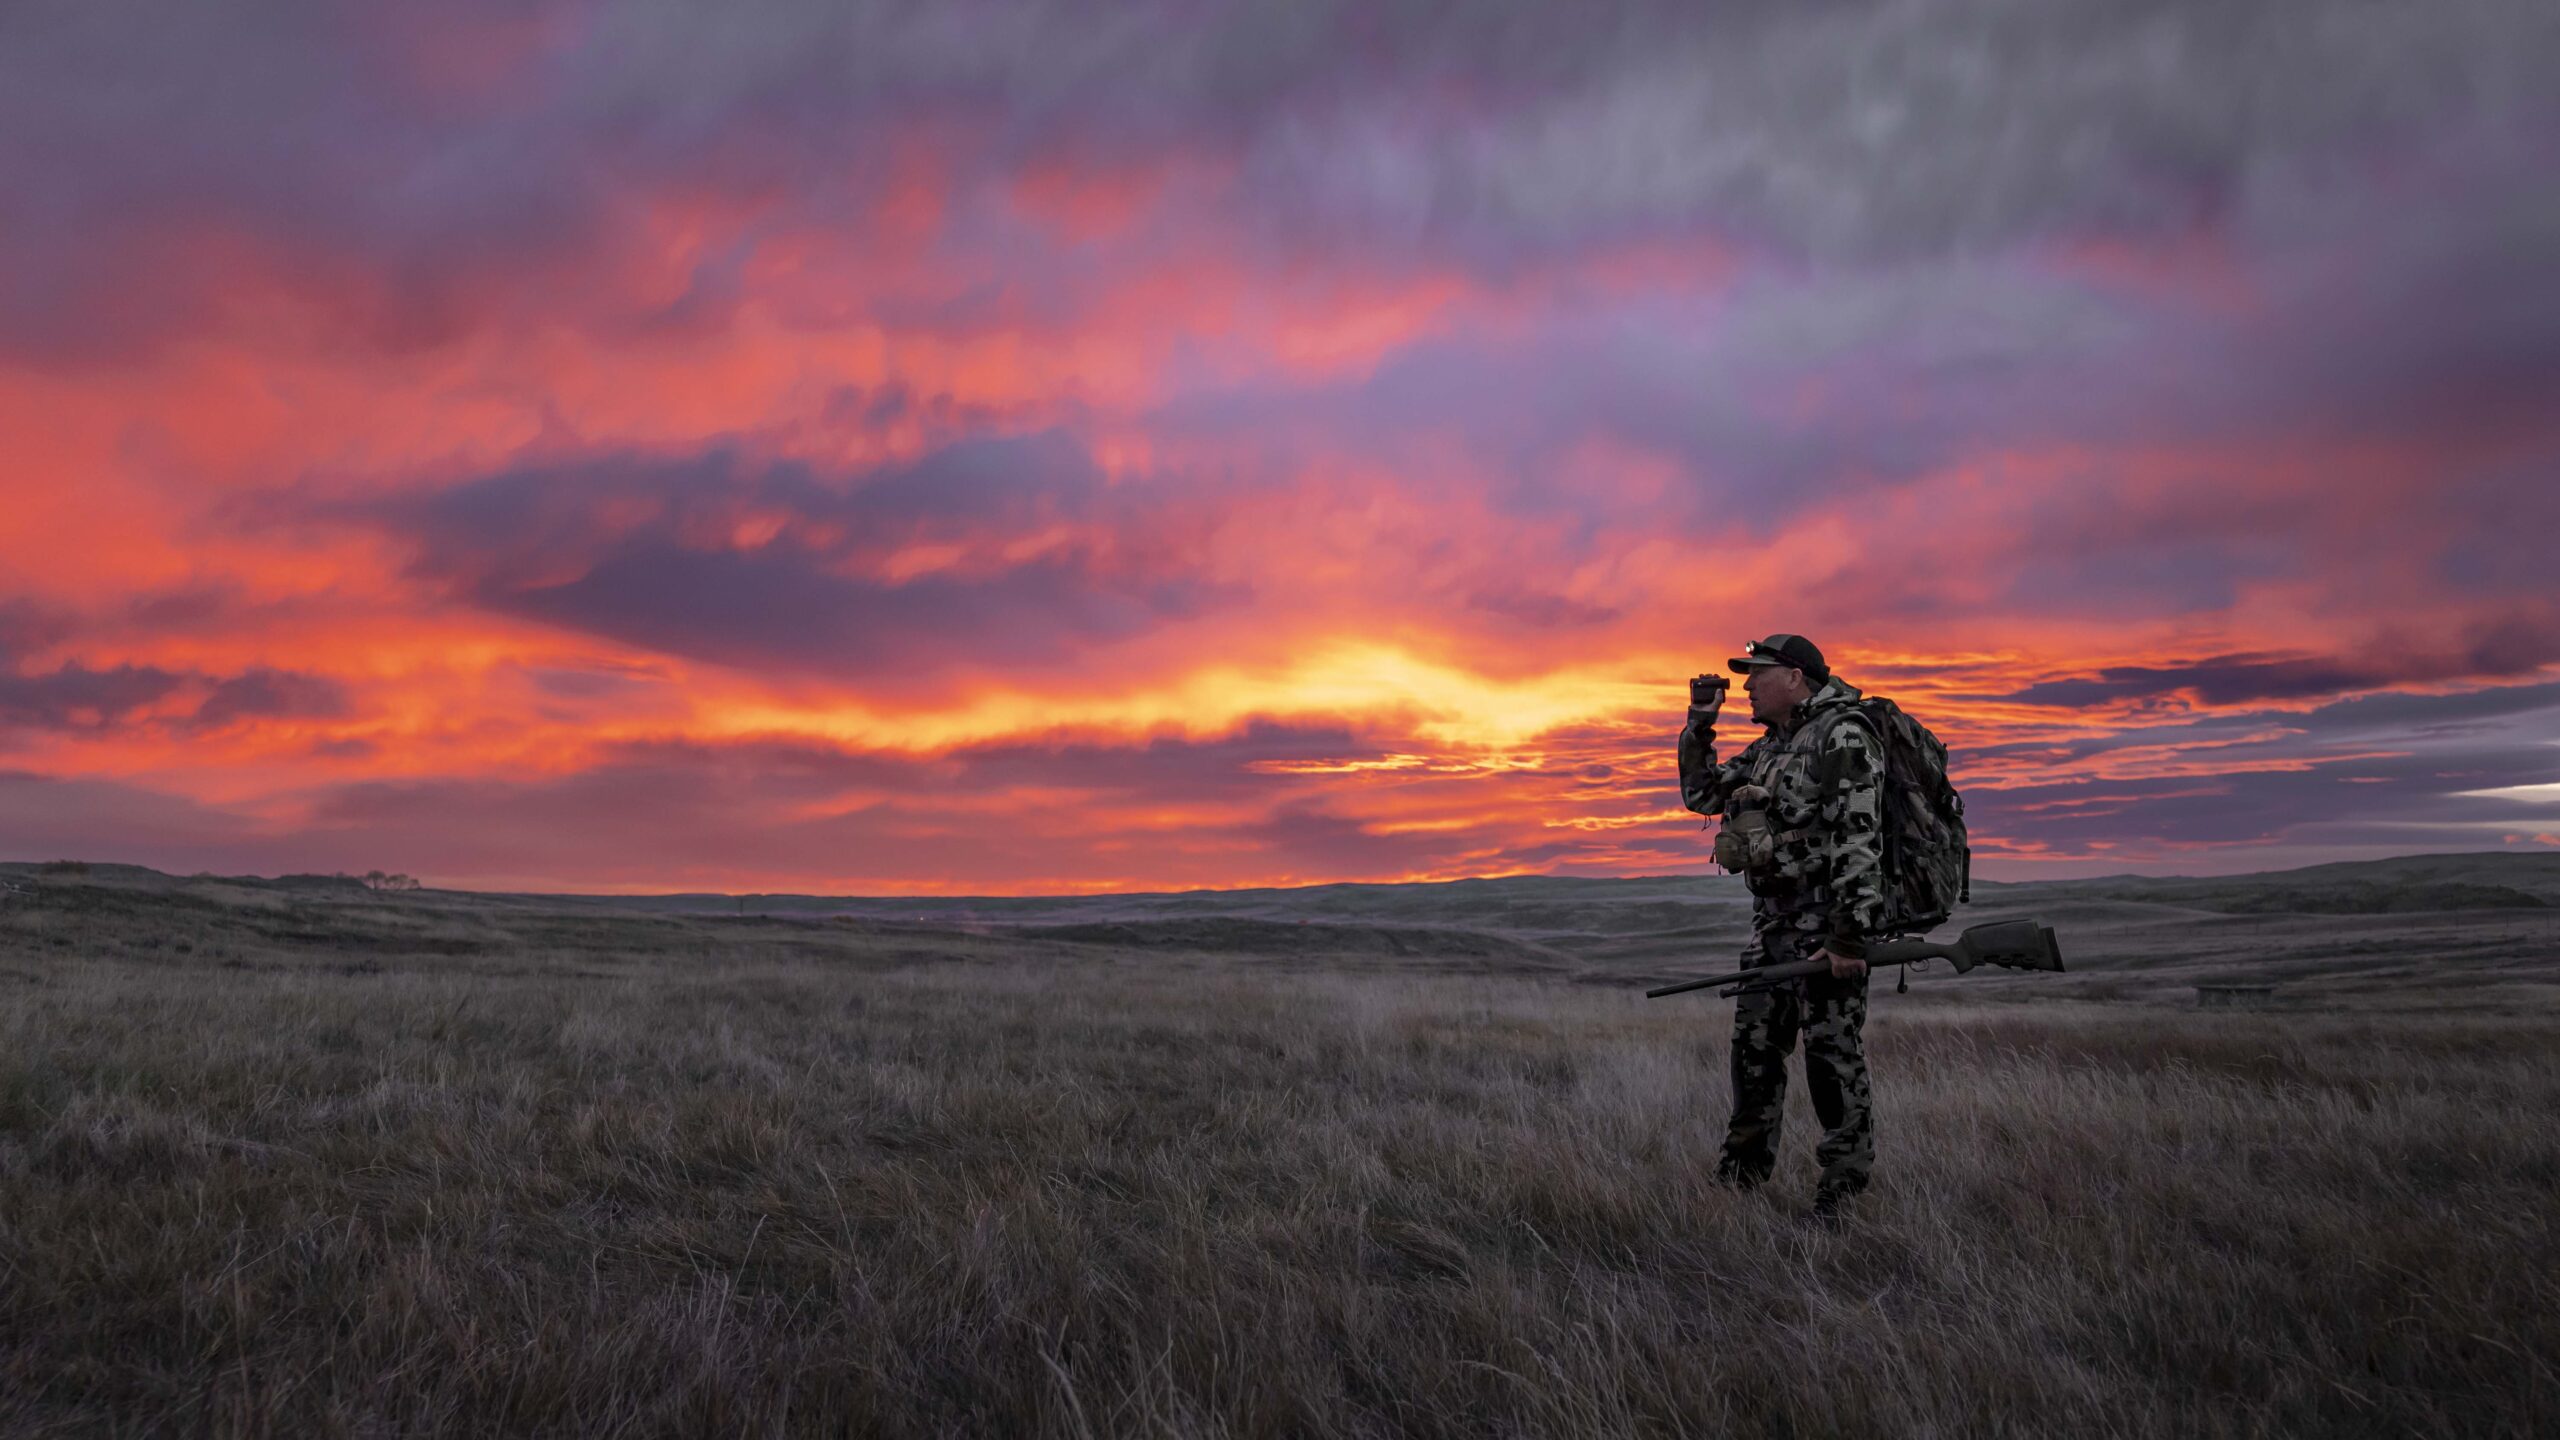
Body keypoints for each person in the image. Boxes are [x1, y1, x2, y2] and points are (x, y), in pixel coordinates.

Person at [1678, 634, 1887, 1218]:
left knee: (1831, 1059)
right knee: (1754, 1054)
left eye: (1757, 674)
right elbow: (1700, 795)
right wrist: (1700, 722)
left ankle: (1841, 1194)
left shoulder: (1843, 734)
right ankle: (1739, 1180)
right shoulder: (1772, 746)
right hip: (1772, 927)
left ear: (1794, 677)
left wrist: (1848, 938)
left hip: (1825, 929)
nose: (1746, 685)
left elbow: (1859, 837)